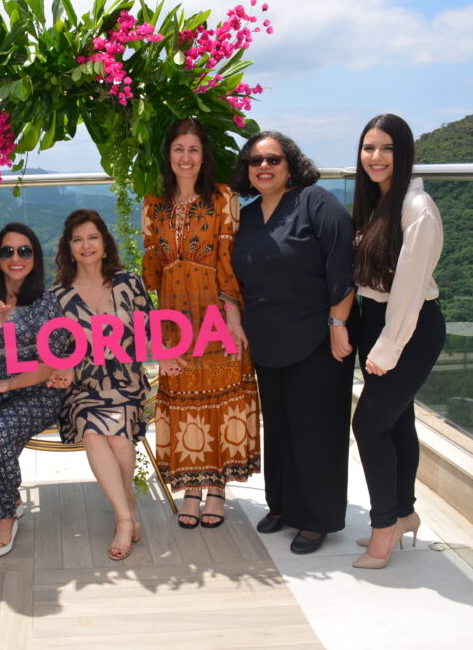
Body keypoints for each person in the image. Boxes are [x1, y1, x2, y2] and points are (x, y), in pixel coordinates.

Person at [230, 130, 358, 555]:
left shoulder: (316, 203)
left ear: (291, 165)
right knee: (281, 428)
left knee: (315, 430)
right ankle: (282, 505)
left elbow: (343, 264)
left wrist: (339, 324)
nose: (263, 167)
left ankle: (316, 518)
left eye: (273, 160)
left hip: (317, 339)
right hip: (268, 341)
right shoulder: (246, 218)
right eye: (255, 161)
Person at [141, 118, 261, 530]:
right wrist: (158, 333)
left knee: (221, 397)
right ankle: (191, 488)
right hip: (174, 313)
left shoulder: (223, 198)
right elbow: (151, 271)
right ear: (168, 155)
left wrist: (232, 315)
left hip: (215, 309)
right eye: (179, 149)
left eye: (193, 150)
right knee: (185, 396)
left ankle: (217, 490)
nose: (186, 158)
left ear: (203, 155)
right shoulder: (153, 203)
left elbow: (228, 261)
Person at [350, 113, 444, 569]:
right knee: (395, 420)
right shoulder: (378, 202)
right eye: (369, 148)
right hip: (378, 321)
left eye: (386, 148)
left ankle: (384, 524)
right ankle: (404, 512)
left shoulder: (417, 207)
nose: (376, 157)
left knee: (368, 425)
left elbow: (408, 293)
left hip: (409, 327)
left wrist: (387, 349)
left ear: (403, 153)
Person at [0, 223, 67, 558]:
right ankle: (4, 500)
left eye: (24, 250)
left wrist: (10, 383)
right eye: (7, 251)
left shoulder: (47, 304)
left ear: (35, 256)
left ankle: (3, 516)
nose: (16, 257)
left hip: (36, 389)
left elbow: (51, 365)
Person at [49, 210, 154, 560]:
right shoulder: (58, 295)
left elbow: (151, 331)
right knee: (95, 431)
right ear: (69, 248)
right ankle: (127, 517)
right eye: (77, 239)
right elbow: (56, 350)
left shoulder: (129, 282)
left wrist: (166, 356)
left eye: (92, 237)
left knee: (119, 437)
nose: (86, 245)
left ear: (105, 244)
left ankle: (125, 516)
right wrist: (62, 370)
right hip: (82, 387)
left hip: (126, 380)